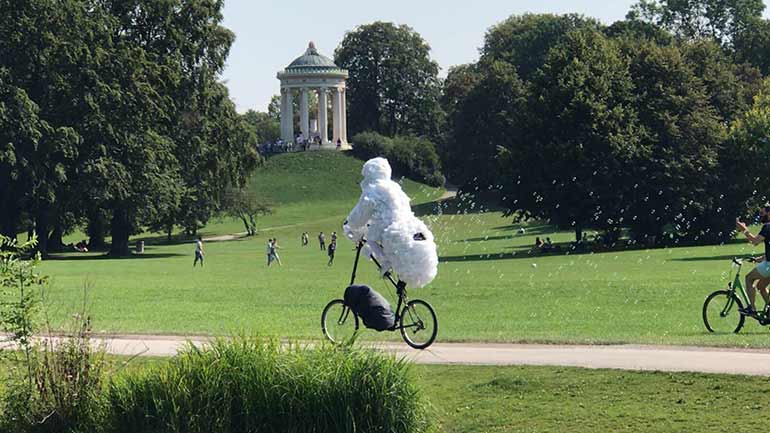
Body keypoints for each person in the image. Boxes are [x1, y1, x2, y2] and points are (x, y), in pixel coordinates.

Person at [736, 205, 770, 316]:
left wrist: (744, 230)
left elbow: (755, 241)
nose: (760, 216)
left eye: (762, 213)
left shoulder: (768, 227)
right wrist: (761, 259)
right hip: (768, 263)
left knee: (749, 278)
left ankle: (752, 309)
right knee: (761, 286)